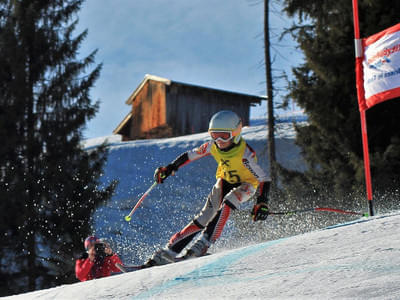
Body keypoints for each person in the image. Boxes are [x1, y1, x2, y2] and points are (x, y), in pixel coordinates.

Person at [145, 110, 270, 266]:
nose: (219, 140)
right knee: (205, 216)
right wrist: (170, 168)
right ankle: (170, 251)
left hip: (247, 185)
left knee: (229, 202)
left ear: (236, 134)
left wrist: (262, 202)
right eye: (214, 135)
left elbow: (264, 178)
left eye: (224, 136)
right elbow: (190, 155)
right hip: (225, 180)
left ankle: (205, 242)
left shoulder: (245, 155)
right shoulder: (212, 146)